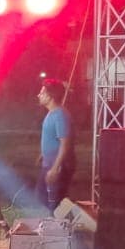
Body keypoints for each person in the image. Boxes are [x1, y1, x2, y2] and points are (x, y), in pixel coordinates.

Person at [36, 78, 75, 209]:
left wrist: (55, 168)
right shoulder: (52, 113)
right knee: (42, 197)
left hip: (59, 167)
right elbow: (53, 138)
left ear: (50, 96)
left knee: (55, 203)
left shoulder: (60, 115)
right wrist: (43, 154)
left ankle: (59, 221)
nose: (38, 95)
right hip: (49, 164)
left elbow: (65, 144)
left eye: (42, 92)